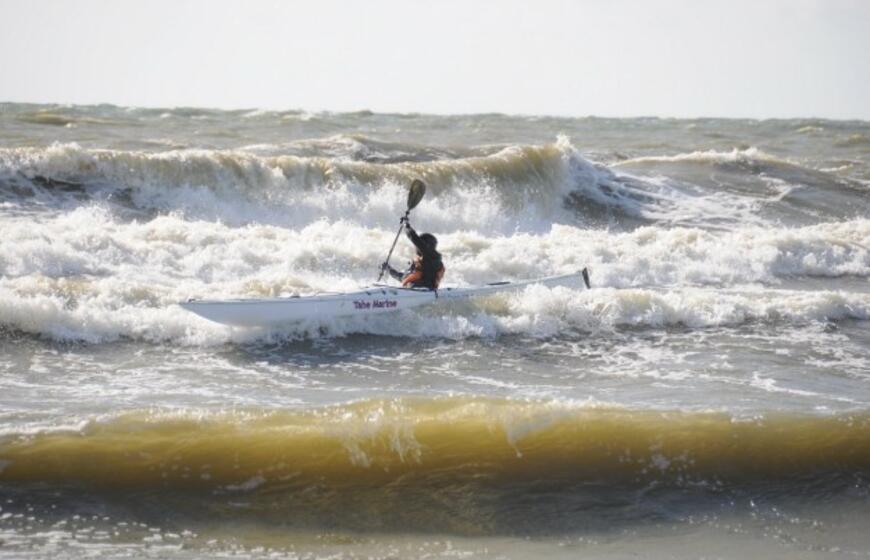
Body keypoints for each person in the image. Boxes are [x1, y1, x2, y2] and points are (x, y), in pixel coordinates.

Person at [381, 218, 445, 290]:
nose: (416, 247)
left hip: (424, 292)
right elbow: (402, 278)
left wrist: (406, 226)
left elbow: (414, 238)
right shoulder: (419, 262)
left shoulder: (434, 258)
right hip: (409, 292)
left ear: (427, 245)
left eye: (419, 245)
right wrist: (389, 269)